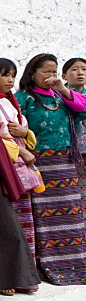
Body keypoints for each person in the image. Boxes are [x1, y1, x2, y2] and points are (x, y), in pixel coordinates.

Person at [16, 53, 86, 285]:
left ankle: (75, 264)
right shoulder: (23, 98)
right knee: (43, 217)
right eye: (45, 71)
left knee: (71, 213)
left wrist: (63, 89)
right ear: (32, 73)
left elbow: (82, 108)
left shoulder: (60, 95)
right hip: (39, 163)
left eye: (54, 71)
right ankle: (48, 265)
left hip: (65, 163)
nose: (50, 76)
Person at [0, 58, 42, 294]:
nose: (10, 80)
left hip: (19, 163)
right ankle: (7, 277)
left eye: (13, 75)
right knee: (7, 222)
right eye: (4, 75)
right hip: (3, 166)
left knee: (24, 221)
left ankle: (24, 275)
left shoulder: (8, 101)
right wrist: (21, 150)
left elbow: (21, 130)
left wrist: (26, 135)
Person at [63, 57, 86, 202]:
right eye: (74, 69)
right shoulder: (57, 96)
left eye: (84, 69)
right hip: (70, 151)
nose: (80, 73)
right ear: (64, 75)